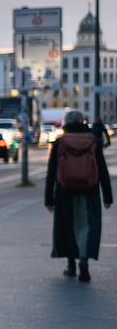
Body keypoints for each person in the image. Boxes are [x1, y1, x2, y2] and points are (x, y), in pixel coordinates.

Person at [46, 109, 112, 281]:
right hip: (89, 190)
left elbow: (51, 171)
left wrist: (48, 199)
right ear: (82, 122)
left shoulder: (59, 142)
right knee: (88, 227)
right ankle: (84, 259)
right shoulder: (93, 141)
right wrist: (108, 195)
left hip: (64, 191)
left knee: (67, 227)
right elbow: (102, 169)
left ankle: (71, 266)